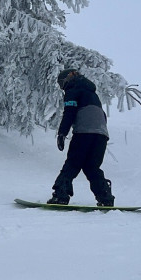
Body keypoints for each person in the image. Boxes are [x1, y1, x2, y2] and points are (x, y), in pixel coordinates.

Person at [49, 66, 114, 207]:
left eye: (61, 84)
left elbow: (70, 112)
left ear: (67, 79)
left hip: (85, 132)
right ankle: (105, 198)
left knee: (73, 163)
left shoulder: (73, 90)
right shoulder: (92, 94)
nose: (62, 88)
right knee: (92, 167)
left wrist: (62, 133)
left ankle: (61, 195)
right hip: (101, 134)